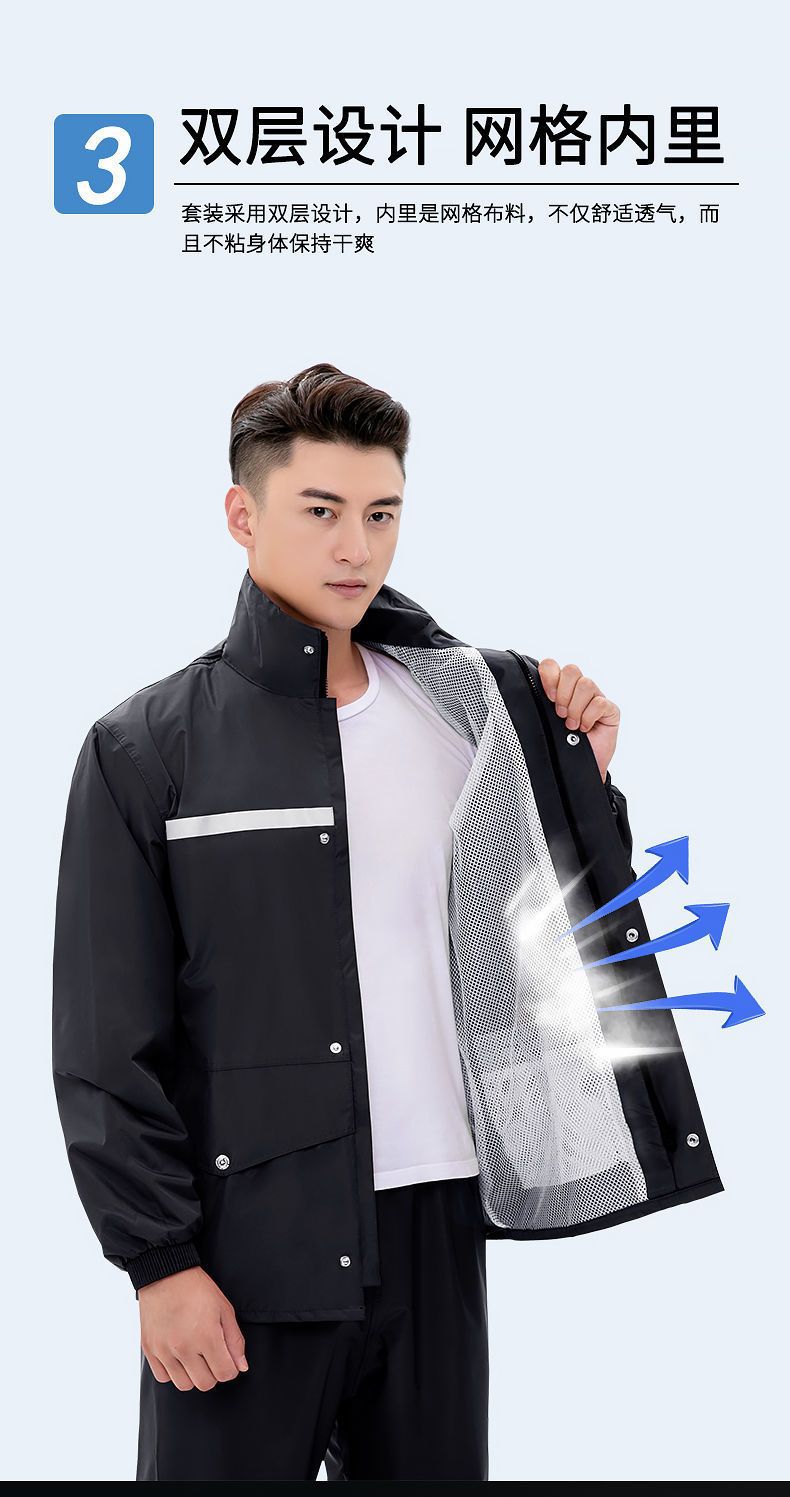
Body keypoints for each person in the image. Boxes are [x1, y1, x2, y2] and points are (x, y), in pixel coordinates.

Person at [51, 362, 724, 1482]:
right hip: (246, 1245)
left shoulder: (473, 712)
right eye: (321, 511)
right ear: (242, 515)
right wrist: (157, 1259)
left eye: (381, 514)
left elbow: (543, 947)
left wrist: (581, 789)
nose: (355, 547)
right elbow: (103, 1036)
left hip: (436, 1225)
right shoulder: (147, 747)